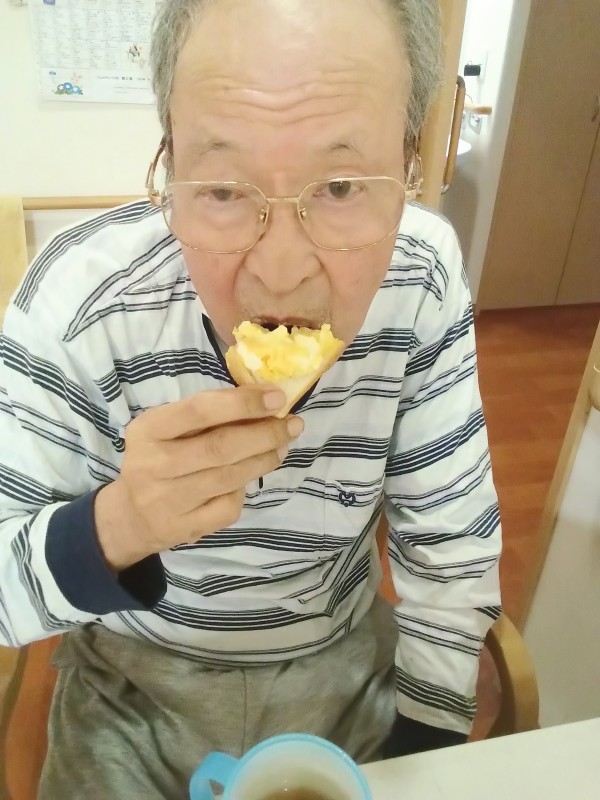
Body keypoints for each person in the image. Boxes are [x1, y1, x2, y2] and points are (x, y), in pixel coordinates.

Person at [0, 0, 502, 797]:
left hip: (341, 670)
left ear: (409, 169)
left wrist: (428, 741)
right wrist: (118, 525)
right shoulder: (77, 304)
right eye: (224, 190)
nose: (279, 269)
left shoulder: (422, 279)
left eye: (341, 185)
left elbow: (450, 543)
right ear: (169, 167)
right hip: (132, 689)